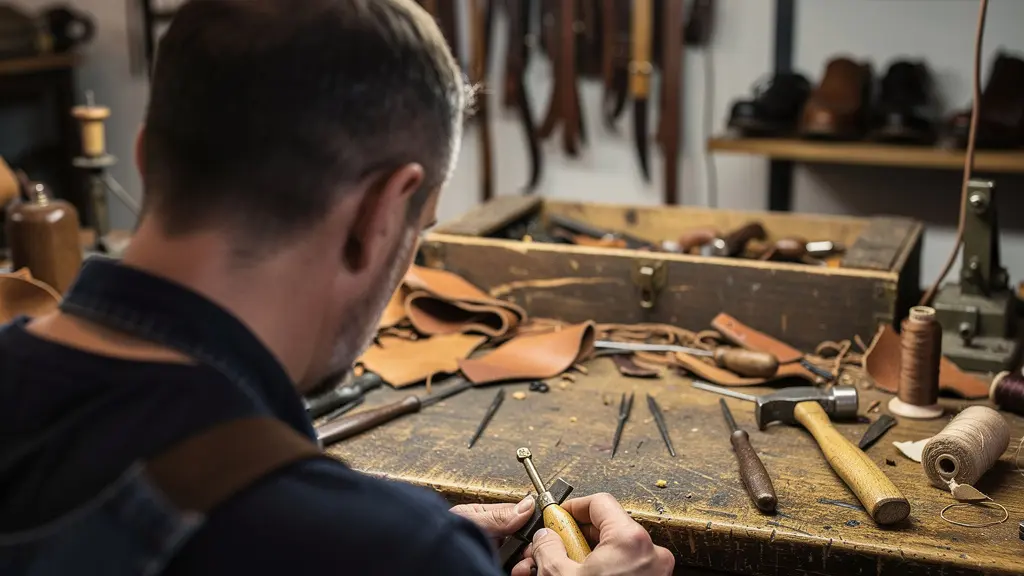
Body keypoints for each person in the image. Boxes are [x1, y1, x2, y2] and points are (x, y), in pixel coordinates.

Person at [0, 0, 676, 575]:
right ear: (379, 218)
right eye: (422, 226)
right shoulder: (391, 551)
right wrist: (405, 544)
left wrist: (390, 530)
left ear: (146, 158)